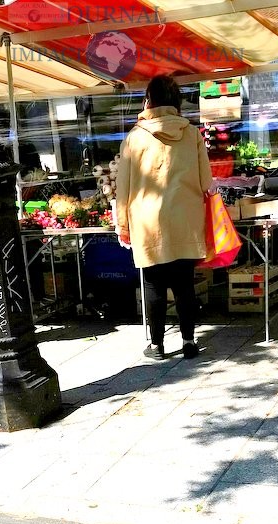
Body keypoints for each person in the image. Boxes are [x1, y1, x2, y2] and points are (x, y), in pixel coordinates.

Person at [116, 74, 212, 360]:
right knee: (184, 284)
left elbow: (123, 188)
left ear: (149, 100)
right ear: (176, 102)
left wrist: (122, 225)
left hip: (148, 223)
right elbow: (206, 181)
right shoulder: (192, 133)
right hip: (186, 218)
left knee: (154, 284)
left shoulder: (135, 137)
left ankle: (157, 345)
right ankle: (188, 341)